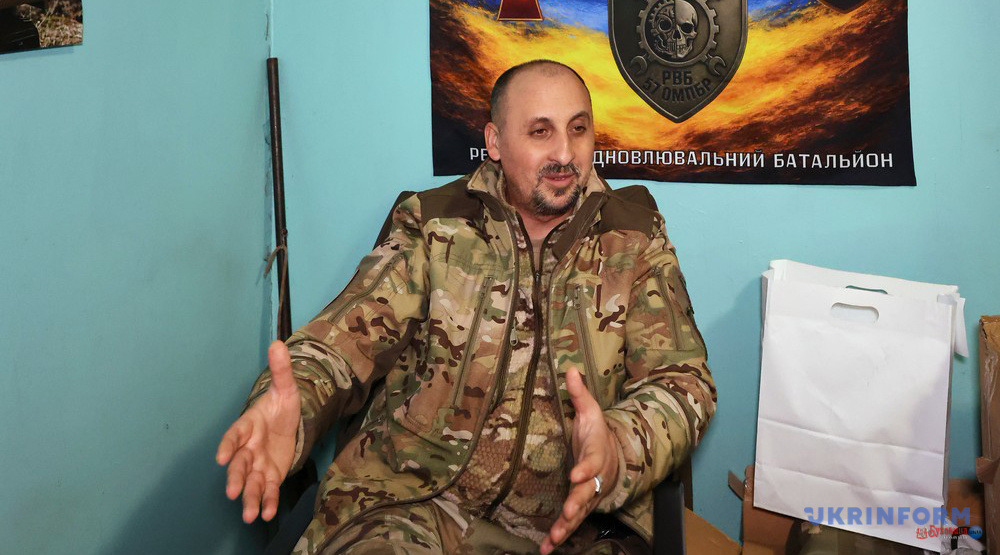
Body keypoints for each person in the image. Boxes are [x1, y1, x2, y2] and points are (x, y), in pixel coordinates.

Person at [217, 60, 716, 554]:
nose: (565, 153)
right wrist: (293, 406)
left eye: (578, 129)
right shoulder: (433, 226)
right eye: (540, 132)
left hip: (579, 521)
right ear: (495, 142)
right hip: (414, 505)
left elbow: (683, 382)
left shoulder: (634, 238)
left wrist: (619, 447)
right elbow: (341, 343)